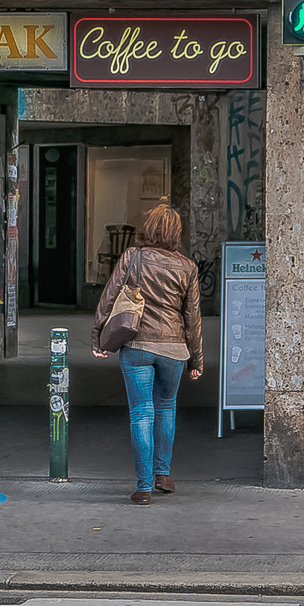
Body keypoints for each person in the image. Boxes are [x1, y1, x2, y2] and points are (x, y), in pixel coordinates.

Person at [91, 203, 203, 506]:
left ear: (149, 228)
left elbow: (110, 296)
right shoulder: (187, 267)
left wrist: (98, 337)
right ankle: (163, 474)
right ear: (177, 233)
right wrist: (196, 359)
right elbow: (192, 317)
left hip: (137, 346)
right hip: (173, 349)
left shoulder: (133, 257)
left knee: (142, 413)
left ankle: (143, 487)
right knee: (166, 407)